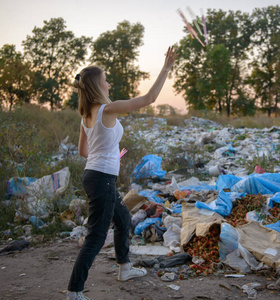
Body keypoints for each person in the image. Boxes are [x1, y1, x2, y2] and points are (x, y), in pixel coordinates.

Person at [66, 46, 177, 300]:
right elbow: (148, 99)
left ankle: (125, 268)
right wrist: (166, 68)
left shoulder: (86, 116)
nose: (108, 84)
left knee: (124, 220)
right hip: (102, 180)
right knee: (95, 237)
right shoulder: (108, 109)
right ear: (97, 86)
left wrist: (109, 156)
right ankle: (74, 292)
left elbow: (85, 151)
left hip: (95, 177)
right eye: (105, 80)